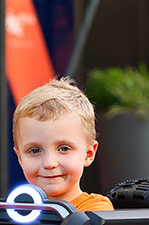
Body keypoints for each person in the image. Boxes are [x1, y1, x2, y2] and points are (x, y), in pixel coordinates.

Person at [12, 76, 113, 211]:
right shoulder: (17, 212)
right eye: (35, 150)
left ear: (88, 154)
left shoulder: (96, 209)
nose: (50, 163)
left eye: (64, 148)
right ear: (20, 158)